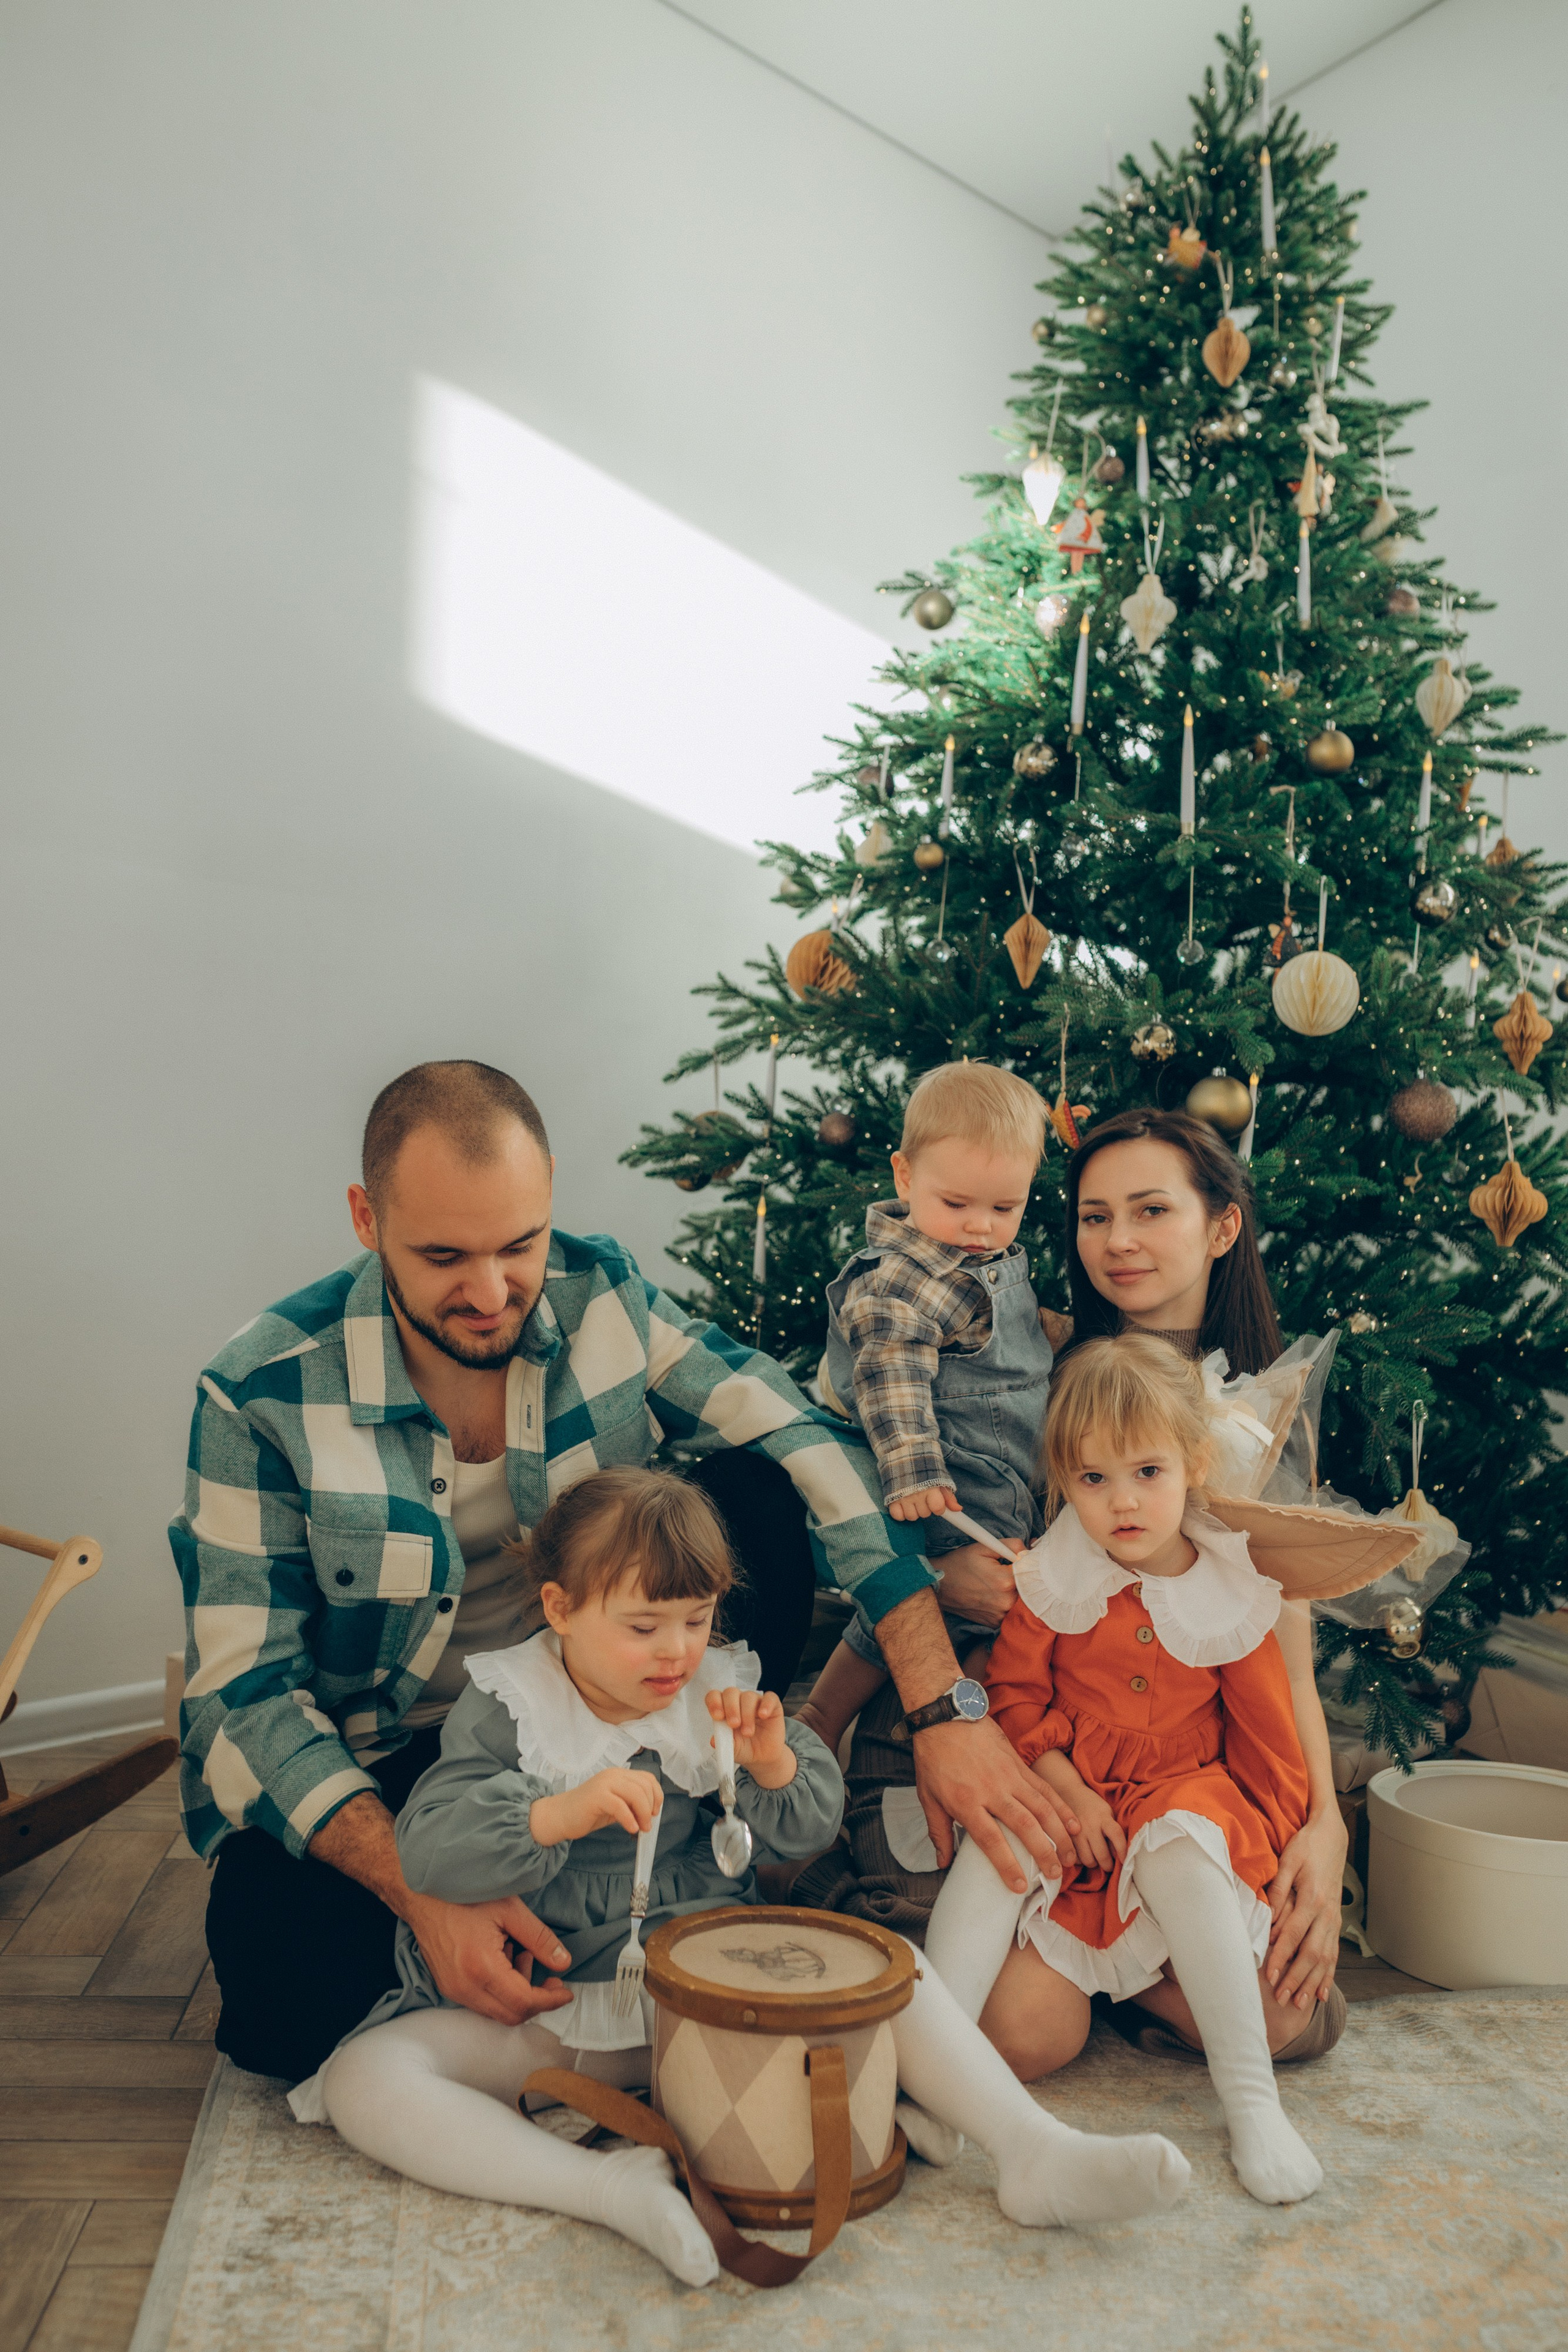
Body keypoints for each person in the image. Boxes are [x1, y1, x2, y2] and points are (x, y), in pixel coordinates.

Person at [172, 1060, 1075, 2082]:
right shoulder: (260, 1390)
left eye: (519, 1244)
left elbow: (810, 1444)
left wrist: (941, 1707)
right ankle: (552, 1961)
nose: (491, 1291)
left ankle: (688, 1854)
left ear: (551, 1189)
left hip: (613, 1713)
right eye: (443, 1257)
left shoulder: (600, 1298)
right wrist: (421, 1894)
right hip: (400, 1762)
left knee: (759, 1488)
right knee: (269, 1989)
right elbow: (243, 1698)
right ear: (365, 1219)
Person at [290, 1465, 1190, 2284]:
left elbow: (811, 1822)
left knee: (891, 1970)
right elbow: (432, 1847)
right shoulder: (511, 1703)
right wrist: (555, 1813)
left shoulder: (717, 1688)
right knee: (366, 2075)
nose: (675, 1652)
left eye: (696, 1620)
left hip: (715, 2004)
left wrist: (769, 1764)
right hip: (553, 2009)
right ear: (560, 1610)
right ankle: (611, 2190)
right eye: (643, 1627)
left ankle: (1032, 2149)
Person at [926, 1335, 1322, 2206]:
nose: (1122, 1503)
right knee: (1006, 1850)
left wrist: (1277, 1848)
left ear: (1193, 1463)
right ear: (1065, 1482)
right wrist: (1062, 1785)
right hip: (1072, 1793)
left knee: (1182, 1844)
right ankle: (930, 2066)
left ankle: (1251, 2105)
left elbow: (1266, 1741)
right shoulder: (1052, 1579)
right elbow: (1015, 1701)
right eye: (1093, 1480)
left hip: (1187, 1801)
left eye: (1148, 1472)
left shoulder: (1232, 1591)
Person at [1057, 1107, 1348, 2039]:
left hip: (1194, 1771)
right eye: (1095, 1216)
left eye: (1149, 1211)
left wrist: (1327, 1825)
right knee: (1027, 2034)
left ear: (1223, 1227)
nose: (1119, 1241)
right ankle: (1107, 1962)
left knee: (1289, 2017)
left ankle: (1139, 1964)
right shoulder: (1048, 1372)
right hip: (1067, 1743)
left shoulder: (1266, 1407)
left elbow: (1285, 1648)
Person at [796, 1063, 1055, 1758]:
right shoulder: (904, 1279)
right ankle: (824, 1713)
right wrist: (914, 1472)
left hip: (1007, 1466)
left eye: (1005, 1209)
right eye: (958, 1203)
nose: (979, 1228)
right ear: (904, 1177)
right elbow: (889, 1371)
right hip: (954, 1480)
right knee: (929, 1601)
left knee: (986, 1611)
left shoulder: (973, 1259)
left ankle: (951, 1726)